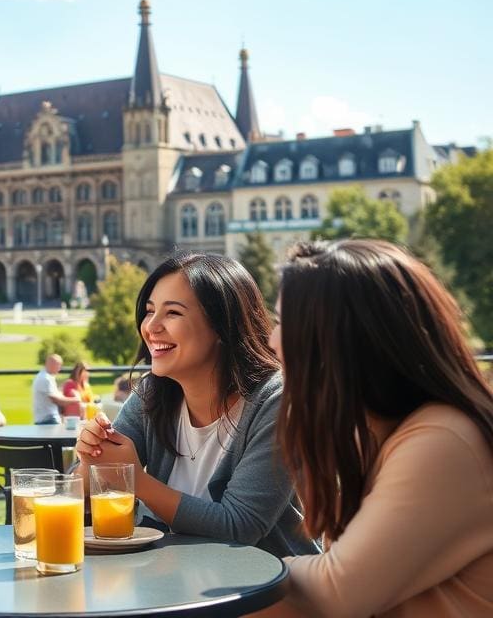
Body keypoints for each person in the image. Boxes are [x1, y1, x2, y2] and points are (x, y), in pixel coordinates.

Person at [260, 240, 493, 616]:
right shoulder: (376, 433)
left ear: (340, 340)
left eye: (284, 323)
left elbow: (336, 592)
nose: (271, 341)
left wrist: (231, 572)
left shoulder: (445, 441)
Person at [75, 252, 318, 557]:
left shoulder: (277, 402)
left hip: (266, 590)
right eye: (149, 311)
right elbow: (79, 490)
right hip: (172, 587)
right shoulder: (153, 394)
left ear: (221, 325)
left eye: (172, 313)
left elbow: (241, 526)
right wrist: (91, 458)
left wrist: (136, 481)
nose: (151, 326)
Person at [31, 353, 81, 425]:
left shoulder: (45, 376)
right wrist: (76, 399)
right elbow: (57, 400)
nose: (59, 369)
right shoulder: (46, 379)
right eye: (59, 365)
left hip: (45, 419)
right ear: (52, 364)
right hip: (48, 420)